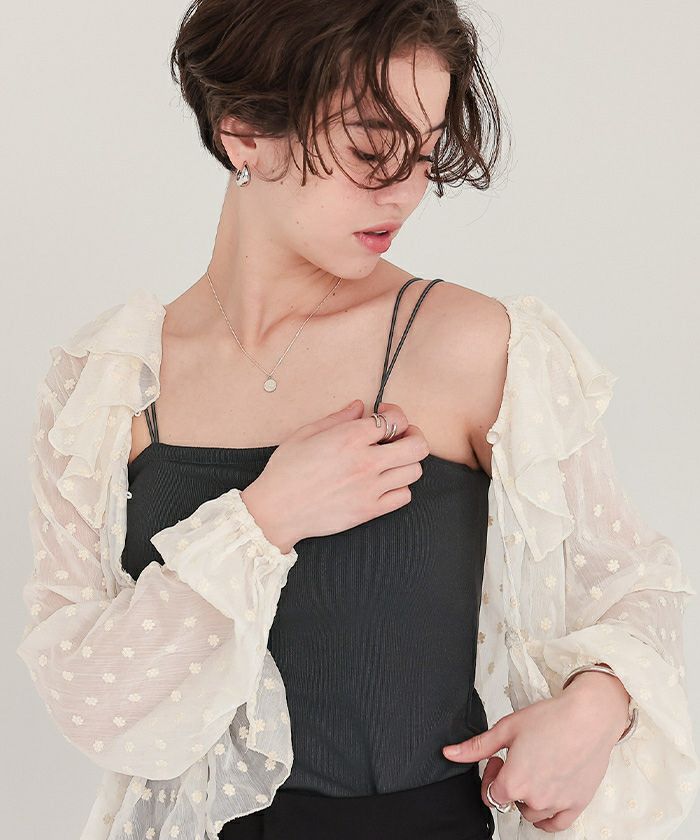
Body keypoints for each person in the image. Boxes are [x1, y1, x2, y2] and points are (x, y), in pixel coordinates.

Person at [16, 1, 698, 839]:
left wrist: (599, 704)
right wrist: (263, 520)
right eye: (372, 150)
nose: (405, 191)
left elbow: (634, 585)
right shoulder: (106, 384)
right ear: (244, 131)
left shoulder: (474, 346)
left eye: (424, 152)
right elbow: (85, 701)